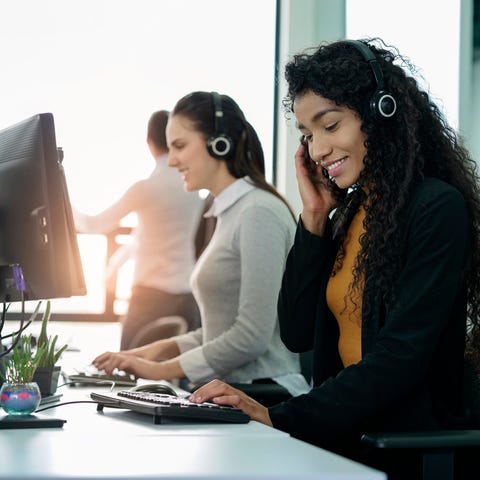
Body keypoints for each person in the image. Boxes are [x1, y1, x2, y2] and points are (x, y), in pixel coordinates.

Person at [187, 39, 480, 478]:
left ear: (381, 112)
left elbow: (400, 358)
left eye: (330, 125)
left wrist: (282, 417)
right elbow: (297, 331)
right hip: (344, 438)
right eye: (308, 135)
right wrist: (315, 217)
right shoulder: (349, 214)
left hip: (402, 447)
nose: (318, 149)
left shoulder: (436, 208)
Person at [92, 92, 311, 400]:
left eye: (180, 146)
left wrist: (160, 370)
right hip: (234, 391)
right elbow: (219, 332)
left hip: (266, 394)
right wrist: (149, 353)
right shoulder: (229, 211)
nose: (172, 160)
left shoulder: (257, 212)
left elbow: (251, 337)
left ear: (218, 142)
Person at [73, 110, 205, 350]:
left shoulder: (146, 188)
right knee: (183, 373)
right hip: (187, 294)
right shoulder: (193, 189)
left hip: (149, 295)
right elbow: (143, 237)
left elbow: (94, 225)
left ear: (149, 142)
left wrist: (62, 201)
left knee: (126, 368)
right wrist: (116, 262)